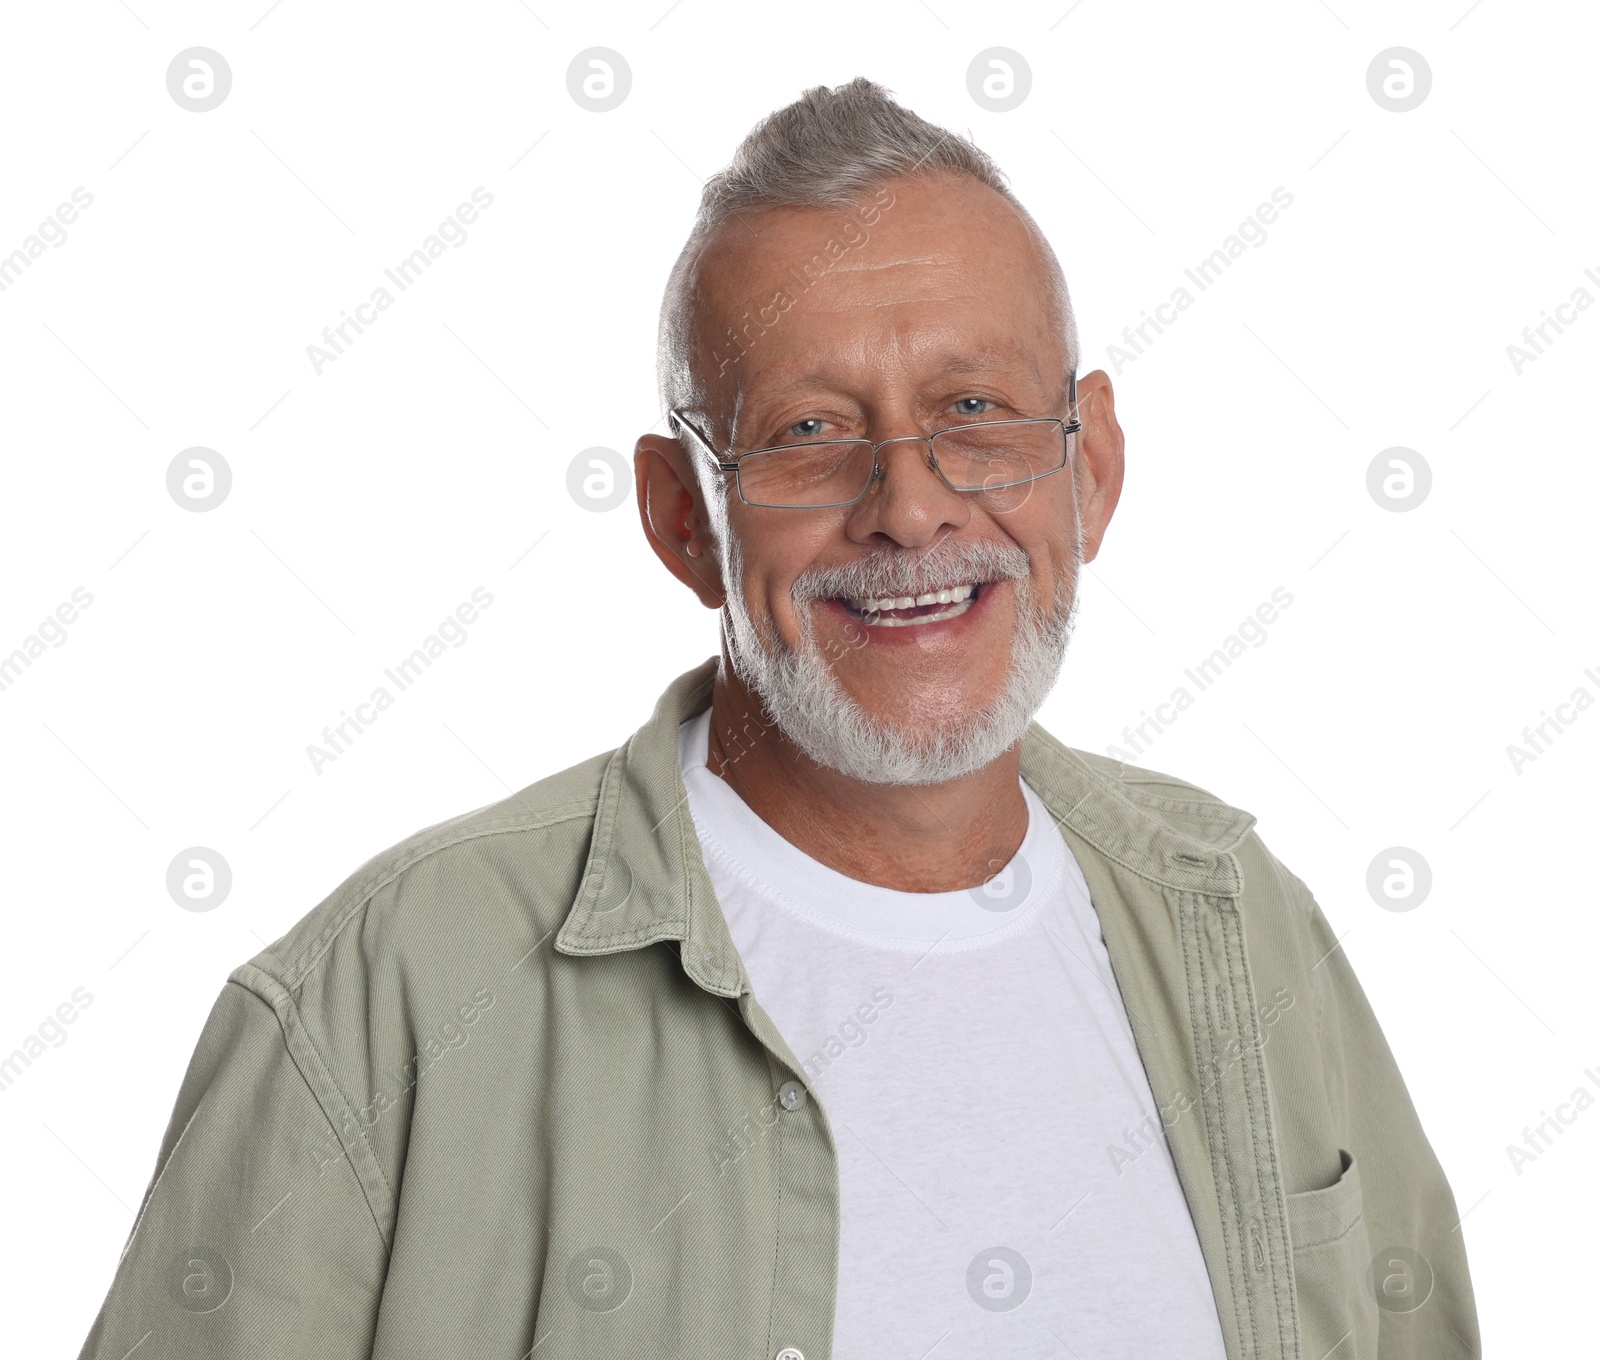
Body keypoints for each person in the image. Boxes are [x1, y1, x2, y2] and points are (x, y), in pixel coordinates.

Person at [77, 77, 1480, 1359]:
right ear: (683, 517)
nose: (911, 505)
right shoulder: (382, 999)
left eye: (976, 410)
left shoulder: (1241, 924)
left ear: (1091, 467)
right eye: (809, 432)